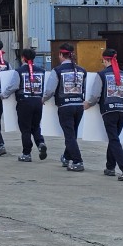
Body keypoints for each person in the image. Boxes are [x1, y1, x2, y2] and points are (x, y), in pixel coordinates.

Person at [85, 49, 123, 181]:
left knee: (113, 139)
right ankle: (110, 167)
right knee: (114, 139)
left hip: (109, 110)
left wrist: (89, 104)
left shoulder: (101, 75)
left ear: (105, 59)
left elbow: (96, 95)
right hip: (122, 110)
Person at [43, 43, 87, 172]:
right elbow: (84, 88)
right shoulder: (82, 70)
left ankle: (78, 161)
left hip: (65, 106)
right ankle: (67, 157)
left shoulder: (57, 70)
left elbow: (50, 90)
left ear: (61, 55)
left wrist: (44, 99)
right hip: (79, 105)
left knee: (69, 135)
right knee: (72, 133)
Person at [2, 47, 47, 162]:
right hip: (38, 102)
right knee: (36, 126)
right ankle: (40, 143)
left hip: (24, 102)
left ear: (22, 58)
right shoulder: (42, 71)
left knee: (25, 128)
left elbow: (14, 86)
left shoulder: (19, 71)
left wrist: (4, 95)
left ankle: (26, 153)